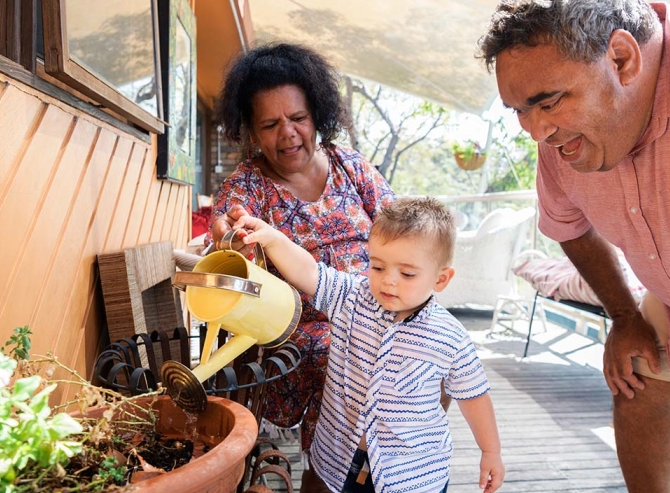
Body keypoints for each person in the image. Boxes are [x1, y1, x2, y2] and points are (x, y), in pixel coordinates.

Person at [478, 1, 670, 492]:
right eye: (520, 111)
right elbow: (568, 226)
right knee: (636, 380)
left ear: (621, 59)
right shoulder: (561, 142)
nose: (535, 131)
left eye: (549, 101)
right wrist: (624, 316)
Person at [231, 196, 505, 493]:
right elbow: (309, 271)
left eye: (407, 273)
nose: (388, 281)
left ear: (441, 279)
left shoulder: (450, 338)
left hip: (413, 474)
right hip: (340, 459)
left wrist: (491, 452)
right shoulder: (350, 298)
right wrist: (272, 239)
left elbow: (474, 397)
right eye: (377, 267)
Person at [205, 43, 395, 466]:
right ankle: (344, 472)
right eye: (270, 124)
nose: (288, 133)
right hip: (306, 334)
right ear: (252, 133)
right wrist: (230, 238)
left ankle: (397, 466)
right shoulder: (248, 185)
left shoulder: (350, 166)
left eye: (298, 118)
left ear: (317, 116)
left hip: (379, 311)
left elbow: (400, 231)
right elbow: (224, 230)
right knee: (350, 366)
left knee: (433, 349)